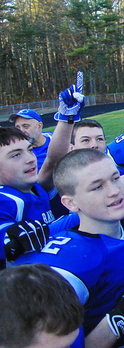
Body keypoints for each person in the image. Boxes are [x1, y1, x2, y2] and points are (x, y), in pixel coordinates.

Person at [16, 148, 124, 334]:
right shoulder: (69, 262)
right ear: (71, 203)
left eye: (115, 178)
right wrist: (116, 322)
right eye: (97, 187)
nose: (114, 191)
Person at [0, 77, 84, 268]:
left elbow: (52, 162)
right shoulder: (5, 200)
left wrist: (66, 118)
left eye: (29, 150)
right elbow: (9, 238)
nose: (30, 158)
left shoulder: (34, 187)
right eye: (15, 155)